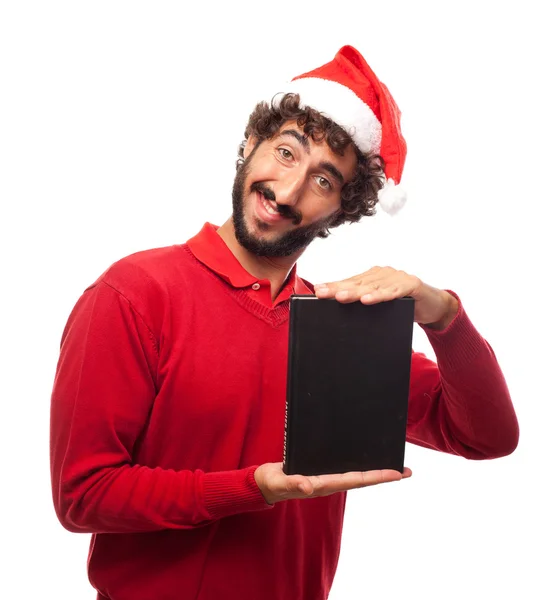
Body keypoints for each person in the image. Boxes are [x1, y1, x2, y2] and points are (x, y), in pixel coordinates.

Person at [49, 45, 519, 600]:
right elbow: (83, 494)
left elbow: (487, 436)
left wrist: (444, 315)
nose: (288, 192)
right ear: (251, 144)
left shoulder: (341, 329)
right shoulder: (132, 294)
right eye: (287, 152)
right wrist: (254, 489)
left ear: (341, 211)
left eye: (324, 181)